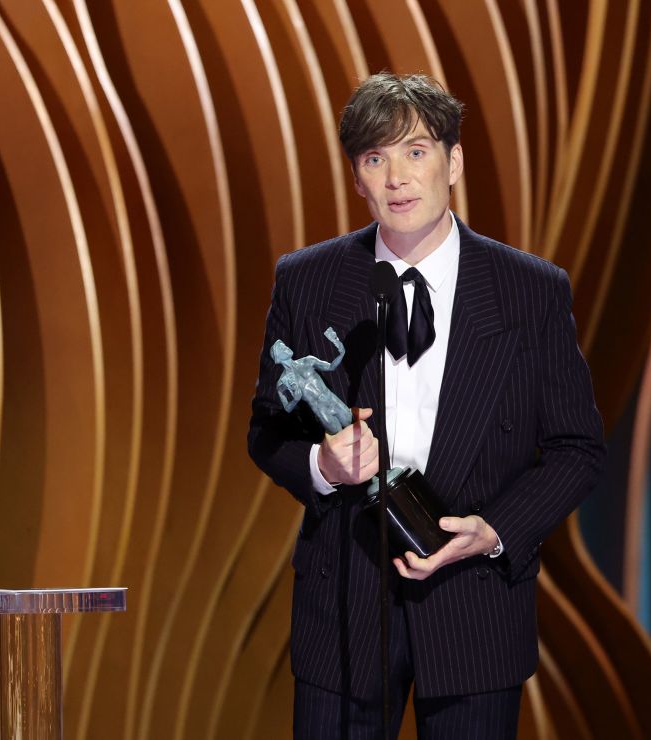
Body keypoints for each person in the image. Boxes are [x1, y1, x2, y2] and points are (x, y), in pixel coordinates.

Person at [248, 72, 605, 739]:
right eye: (375, 158)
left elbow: (577, 449)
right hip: (345, 606)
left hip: (472, 600)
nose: (396, 178)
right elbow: (266, 430)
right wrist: (325, 466)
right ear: (357, 177)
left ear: (454, 161)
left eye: (415, 151)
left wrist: (495, 529)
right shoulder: (309, 280)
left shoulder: (529, 291)